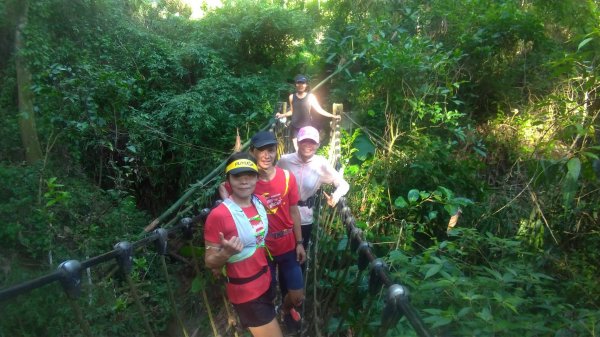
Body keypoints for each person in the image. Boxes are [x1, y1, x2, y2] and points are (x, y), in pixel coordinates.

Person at [219, 131, 306, 332]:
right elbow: (227, 194)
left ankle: (284, 310)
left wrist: (300, 242)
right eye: (261, 151)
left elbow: (294, 210)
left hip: (287, 244)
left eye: (271, 150)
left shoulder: (286, 177)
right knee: (266, 293)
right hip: (261, 249)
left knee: (297, 296)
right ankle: (270, 322)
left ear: (277, 151)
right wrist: (225, 201)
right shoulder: (246, 180)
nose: (266, 155)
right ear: (252, 152)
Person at [204, 152, 283, 337]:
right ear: (228, 180)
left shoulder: (259, 202)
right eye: (237, 176)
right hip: (247, 294)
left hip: (266, 281)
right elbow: (209, 261)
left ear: (257, 177)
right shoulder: (218, 216)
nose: (244, 180)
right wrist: (226, 253)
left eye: (249, 175)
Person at [277, 126, 350, 251]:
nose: (308, 145)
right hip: (283, 215)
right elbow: (272, 179)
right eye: (304, 141)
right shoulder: (285, 161)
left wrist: (336, 196)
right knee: (281, 253)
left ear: (318, 145)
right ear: (297, 142)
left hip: (305, 218)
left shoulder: (320, 164)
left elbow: (343, 184)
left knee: (300, 255)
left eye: (312, 142)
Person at [275, 74, 341, 149]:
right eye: (299, 83)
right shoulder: (291, 97)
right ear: (296, 84)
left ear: (306, 85)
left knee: (305, 149)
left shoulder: (310, 97)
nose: (301, 85)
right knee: (297, 151)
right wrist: (282, 115)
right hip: (295, 127)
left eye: (303, 83)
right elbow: (292, 111)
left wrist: (333, 116)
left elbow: (319, 110)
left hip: (306, 127)